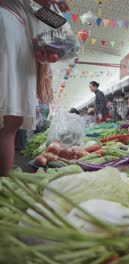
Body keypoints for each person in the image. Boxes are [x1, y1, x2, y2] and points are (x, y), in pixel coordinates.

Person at [0, 0, 70, 176]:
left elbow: (52, 20)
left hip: (16, 29)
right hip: (10, 31)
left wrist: (53, 11)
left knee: (10, 121)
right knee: (10, 120)